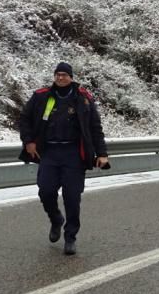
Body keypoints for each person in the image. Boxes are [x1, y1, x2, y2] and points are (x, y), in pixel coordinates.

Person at [19, 62, 109, 255]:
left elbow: (95, 128)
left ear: (71, 77)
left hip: (74, 155)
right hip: (49, 152)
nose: (60, 78)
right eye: (57, 74)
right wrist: (28, 142)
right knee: (46, 191)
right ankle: (56, 219)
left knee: (72, 197)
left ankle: (70, 236)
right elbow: (24, 119)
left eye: (64, 75)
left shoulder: (83, 98)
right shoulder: (42, 95)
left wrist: (102, 153)